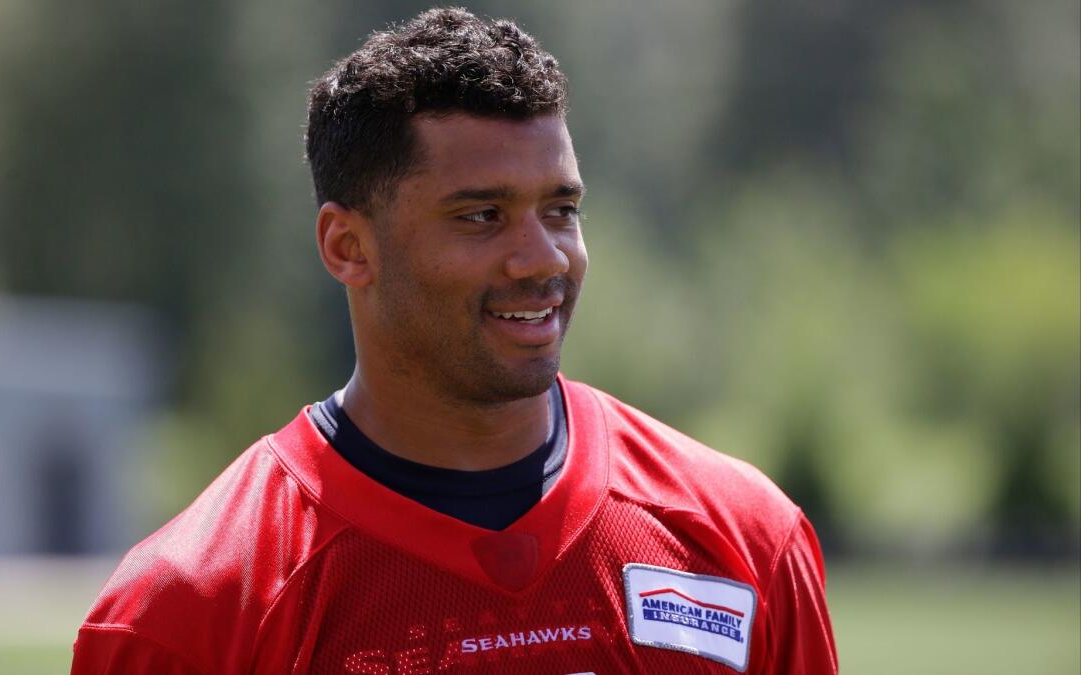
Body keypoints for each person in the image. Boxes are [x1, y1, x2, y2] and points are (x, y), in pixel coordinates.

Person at [71, 8, 837, 674]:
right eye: (481, 215)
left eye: (561, 210)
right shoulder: (188, 611)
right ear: (347, 247)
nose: (543, 257)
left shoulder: (743, 540)